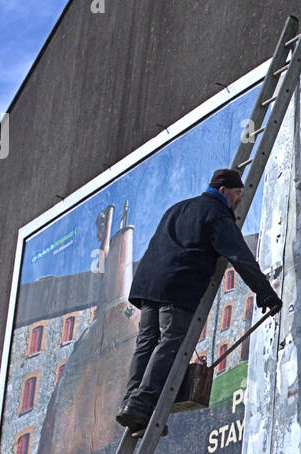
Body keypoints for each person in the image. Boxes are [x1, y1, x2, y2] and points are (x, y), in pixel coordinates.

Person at [117, 168, 282, 434]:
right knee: (171, 340)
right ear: (223, 190)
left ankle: (132, 403)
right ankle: (143, 401)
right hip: (178, 285)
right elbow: (240, 257)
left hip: (149, 285)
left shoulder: (178, 208)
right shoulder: (216, 214)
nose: (240, 200)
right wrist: (265, 293)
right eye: (238, 193)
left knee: (147, 342)